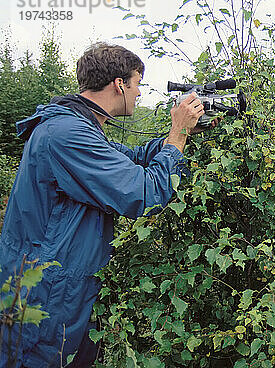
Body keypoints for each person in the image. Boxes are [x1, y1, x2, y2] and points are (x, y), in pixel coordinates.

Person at [0, 42, 210, 367]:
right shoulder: (66, 134)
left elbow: (132, 160)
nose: (139, 93)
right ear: (119, 85)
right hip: (46, 296)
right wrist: (177, 135)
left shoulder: (78, 127)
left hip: (61, 286)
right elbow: (142, 192)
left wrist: (184, 133)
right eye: (137, 84)